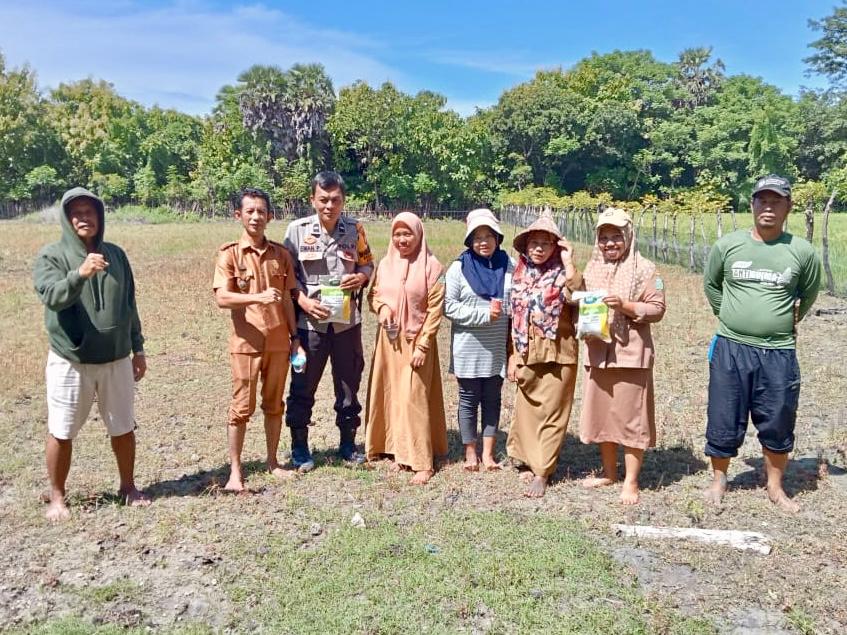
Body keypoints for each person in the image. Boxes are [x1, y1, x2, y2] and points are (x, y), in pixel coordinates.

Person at [703, 174, 821, 512]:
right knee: (724, 415)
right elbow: (712, 285)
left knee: (778, 416)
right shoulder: (728, 246)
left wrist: (779, 321)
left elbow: (808, 294)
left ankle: (775, 486)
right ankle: (719, 479)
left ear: (788, 207)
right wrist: (731, 315)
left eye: (776, 201)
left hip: (778, 351)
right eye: (762, 200)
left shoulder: (801, 251)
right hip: (731, 347)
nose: (768, 207)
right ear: (752, 204)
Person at [33, 187, 150, 521]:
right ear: (67, 219)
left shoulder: (116, 256)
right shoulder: (52, 257)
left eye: (90, 212)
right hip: (71, 360)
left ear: (100, 217)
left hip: (116, 358)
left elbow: (129, 304)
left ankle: (128, 487)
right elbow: (53, 297)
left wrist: (138, 348)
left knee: (123, 426)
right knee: (62, 429)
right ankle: (58, 497)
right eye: (77, 213)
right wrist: (80, 274)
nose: (84, 218)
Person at [213, 187, 304, 492]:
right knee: (242, 407)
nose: (256, 217)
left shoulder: (281, 255)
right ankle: (235, 472)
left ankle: (273, 462)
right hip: (246, 344)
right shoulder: (229, 254)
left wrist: (295, 337)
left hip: (278, 342)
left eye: (261, 211)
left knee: (274, 405)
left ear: (270, 216)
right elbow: (222, 298)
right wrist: (257, 297)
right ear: (238, 215)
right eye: (249, 211)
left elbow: (288, 300)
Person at [283, 171, 374, 471]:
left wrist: (360, 277)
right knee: (302, 385)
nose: (329, 206)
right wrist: (303, 301)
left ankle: (348, 444)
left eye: (335, 200)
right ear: (312, 199)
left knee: (349, 384)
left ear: (343, 200)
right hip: (310, 325)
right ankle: (299, 447)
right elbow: (286, 276)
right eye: (323, 199)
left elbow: (367, 264)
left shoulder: (355, 229)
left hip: (347, 323)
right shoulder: (296, 231)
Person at [578, 208, 666, 505]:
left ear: (628, 237)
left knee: (631, 418)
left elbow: (657, 309)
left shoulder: (646, 270)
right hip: (598, 352)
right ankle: (609, 473)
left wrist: (625, 306)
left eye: (616, 236)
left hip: (630, 353)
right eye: (604, 238)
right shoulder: (592, 268)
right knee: (603, 414)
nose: (609, 243)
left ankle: (631, 480)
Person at [365, 212, 448, 485]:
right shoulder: (385, 264)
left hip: (416, 341)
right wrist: (382, 308)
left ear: (418, 234)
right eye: (397, 234)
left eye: (407, 233)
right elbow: (373, 295)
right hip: (389, 342)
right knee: (390, 393)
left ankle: (422, 462)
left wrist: (423, 345)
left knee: (414, 398)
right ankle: (393, 448)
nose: (402, 239)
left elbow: (435, 311)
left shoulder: (433, 267)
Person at [506, 210, 582, 498]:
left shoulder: (564, 274)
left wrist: (568, 261)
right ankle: (526, 459)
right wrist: (512, 355)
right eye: (534, 243)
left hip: (558, 354)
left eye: (545, 243)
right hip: (526, 351)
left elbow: (578, 295)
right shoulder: (518, 275)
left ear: (556, 247)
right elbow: (513, 318)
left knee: (553, 413)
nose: (538, 249)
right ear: (526, 246)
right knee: (527, 411)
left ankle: (542, 471)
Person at [444, 208, 514, 472]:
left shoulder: (509, 265)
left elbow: (517, 299)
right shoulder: (458, 268)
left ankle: (488, 453)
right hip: (468, 346)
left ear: (497, 238)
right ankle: (470, 452)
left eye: (488, 236)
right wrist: (483, 315)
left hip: (497, 347)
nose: (483, 242)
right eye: (477, 237)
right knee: (469, 398)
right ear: (469, 240)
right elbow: (448, 306)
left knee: (493, 398)